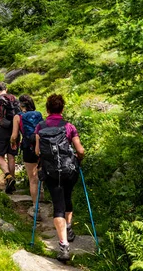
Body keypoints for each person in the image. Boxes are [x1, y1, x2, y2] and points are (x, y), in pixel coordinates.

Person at [35, 94, 85, 262]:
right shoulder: (69, 127)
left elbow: (37, 151)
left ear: (47, 109)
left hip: (50, 172)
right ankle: (68, 226)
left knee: (58, 206)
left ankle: (63, 246)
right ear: (62, 109)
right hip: (69, 170)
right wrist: (78, 160)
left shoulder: (40, 127)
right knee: (68, 197)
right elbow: (81, 150)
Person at [10, 94, 42, 208]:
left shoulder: (18, 117)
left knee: (32, 179)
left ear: (20, 105)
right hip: (41, 146)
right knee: (39, 174)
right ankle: (42, 197)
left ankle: (36, 207)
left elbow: (14, 135)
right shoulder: (38, 114)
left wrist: (13, 143)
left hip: (28, 147)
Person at [0, 82, 21, 194]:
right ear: (6, 89)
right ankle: (12, 184)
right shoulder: (15, 100)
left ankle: (8, 176)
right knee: (11, 156)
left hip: (1, 131)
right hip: (14, 131)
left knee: (0, 156)